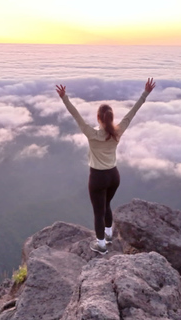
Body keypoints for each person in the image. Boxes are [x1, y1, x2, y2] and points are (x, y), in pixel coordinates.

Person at [56, 78, 156, 254]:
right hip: (113, 176)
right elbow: (131, 113)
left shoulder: (92, 134)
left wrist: (64, 97)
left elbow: (76, 115)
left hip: (97, 177)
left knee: (98, 212)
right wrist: (145, 93)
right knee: (107, 203)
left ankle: (101, 245)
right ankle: (109, 234)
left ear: (98, 118)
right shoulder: (117, 131)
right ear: (111, 118)